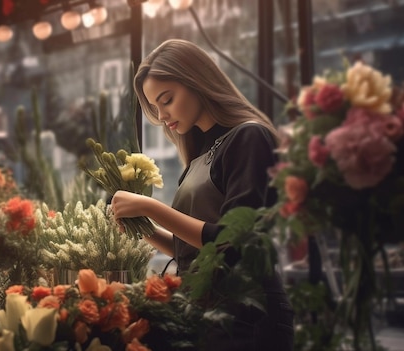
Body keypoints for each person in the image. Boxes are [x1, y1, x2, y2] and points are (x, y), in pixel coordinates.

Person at [110, 39, 294, 350]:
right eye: (155, 107)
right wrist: (144, 230)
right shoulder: (198, 157)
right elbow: (194, 252)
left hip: (248, 316)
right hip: (206, 312)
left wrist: (151, 207)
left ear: (196, 81)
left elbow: (231, 245)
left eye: (167, 99)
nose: (162, 114)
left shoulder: (249, 137)